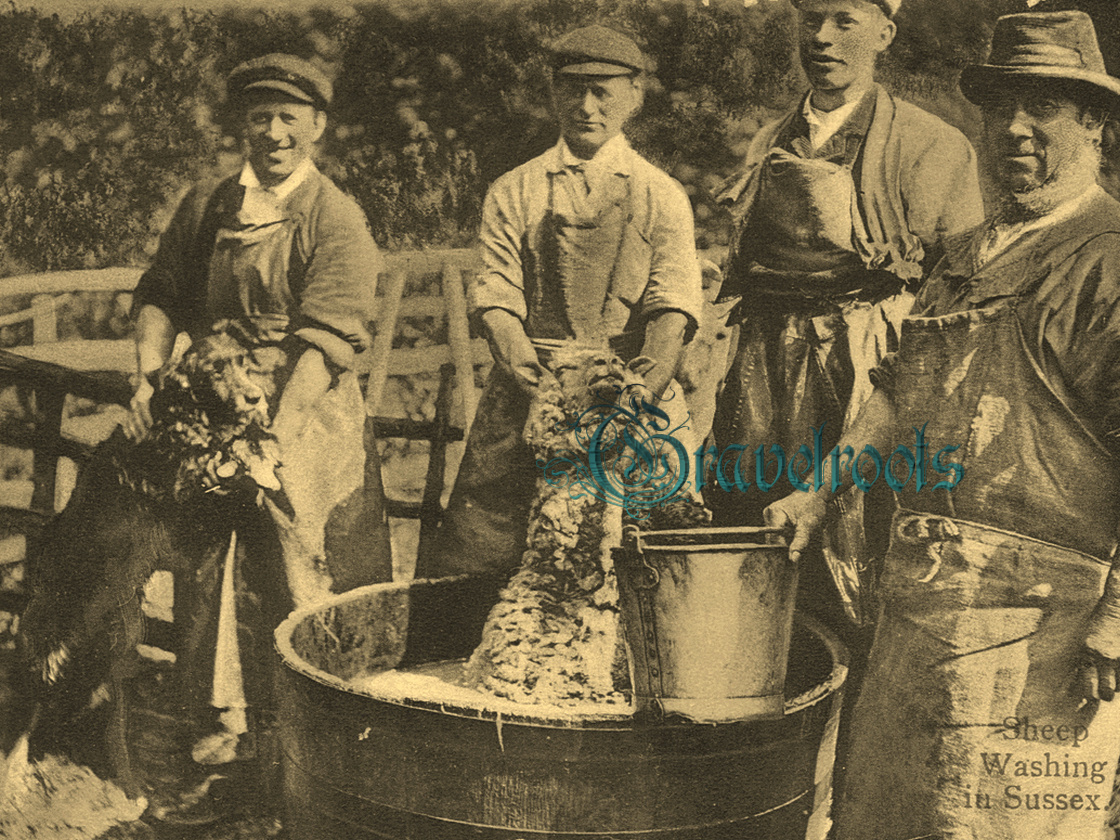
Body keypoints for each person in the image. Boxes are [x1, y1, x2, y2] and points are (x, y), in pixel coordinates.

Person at [765, 11, 1120, 839]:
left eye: (1044, 109)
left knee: (1000, 827)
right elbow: (895, 395)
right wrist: (818, 491)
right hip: (919, 614)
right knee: (883, 819)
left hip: (1041, 629)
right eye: (1001, 108)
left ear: (1096, 124)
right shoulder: (966, 255)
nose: (1016, 130)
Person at [128, 53, 392, 821]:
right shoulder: (211, 205)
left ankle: (314, 766)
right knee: (208, 573)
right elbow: (161, 292)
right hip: (216, 409)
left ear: (316, 125)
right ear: (240, 124)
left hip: (302, 419)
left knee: (300, 573)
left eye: (289, 118)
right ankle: (221, 753)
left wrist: (269, 440)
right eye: (258, 117)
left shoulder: (333, 216)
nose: (273, 133)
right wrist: (150, 376)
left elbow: (328, 339)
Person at [709, 0, 984, 629]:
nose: (823, 38)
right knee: (753, 511)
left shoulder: (933, 146)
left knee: (864, 527)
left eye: (845, 21)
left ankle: (854, 684)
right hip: (768, 361)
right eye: (811, 20)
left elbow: (960, 293)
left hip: (869, 360)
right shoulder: (770, 140)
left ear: (884, 34)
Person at [419, 25, 703, 581]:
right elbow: (497, 299)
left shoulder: (661, 193)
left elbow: (672, 309)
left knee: (650, 551)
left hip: (632, 392)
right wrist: (544, 393)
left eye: (604, 90)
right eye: (573, 88)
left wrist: (637, 396)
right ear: (553, 93)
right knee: (493, 549)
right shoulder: (514, 189)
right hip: (532, 390)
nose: (587, 105)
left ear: (635, 95)